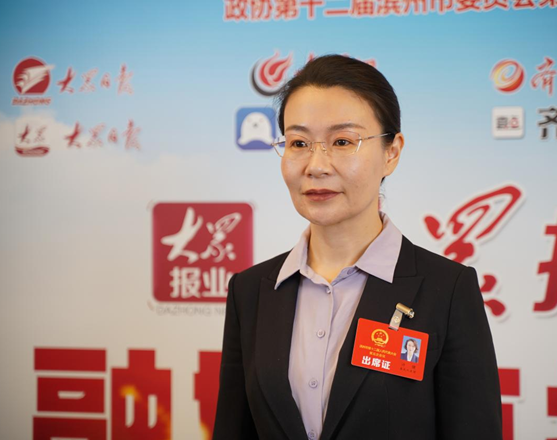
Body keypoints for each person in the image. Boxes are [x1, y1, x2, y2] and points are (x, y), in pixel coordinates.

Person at [213, 54, 502, 440]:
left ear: (391, 152)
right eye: (299, 142)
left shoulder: (447, 290)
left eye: (342, 141)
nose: (316, 165)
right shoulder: (251, 291)